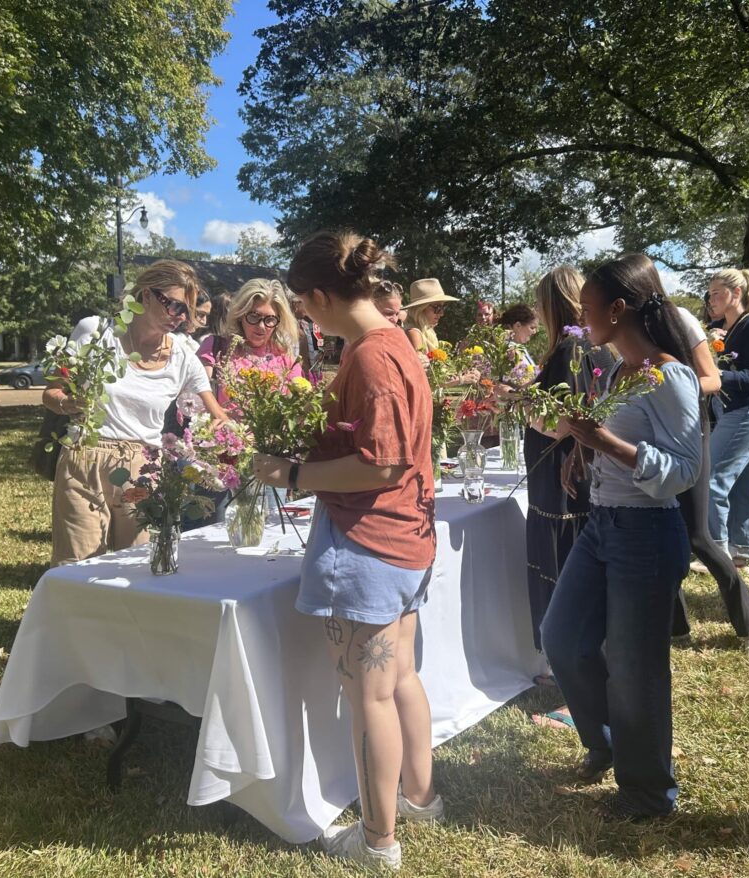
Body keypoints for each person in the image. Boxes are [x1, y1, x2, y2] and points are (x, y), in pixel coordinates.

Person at [252, 231, 440, 871]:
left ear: (322, 295)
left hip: (369, 541)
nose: (301, 315)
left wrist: (294, 474)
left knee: (369, 695)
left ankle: (378, 840)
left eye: (302, 304)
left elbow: (382, 463)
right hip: (405, 537)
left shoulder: (370, 357)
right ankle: (420, 796)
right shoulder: (394, 344)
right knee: (399, 679)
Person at [540, 253, 701, 821]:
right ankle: (606, 743)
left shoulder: (669, 373)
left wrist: (603, 442)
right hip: (602, 523)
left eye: (587, 308)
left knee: (635, 668)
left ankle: (648, 793)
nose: (581, 318)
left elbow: (685, 471)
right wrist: (583, 454)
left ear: (619, 307)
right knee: (561, 637)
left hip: (647, 533)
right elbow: (609, 439)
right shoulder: (612, 371)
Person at [42, 260, 226, 565]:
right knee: (78, 567)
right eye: (176, 306)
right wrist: (68, 404)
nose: (182, 318)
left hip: (144, 470)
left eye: (189, 312)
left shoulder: (182, 356)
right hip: (86, 459)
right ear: (146, 295)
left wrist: (212, 446)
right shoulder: (96, 333)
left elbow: (216, 415)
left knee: (138, 568)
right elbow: (51, 392)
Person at [523, 267, 616, 690]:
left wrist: (520, 404)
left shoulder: (569, 348)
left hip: (563, 475)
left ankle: (569, 667)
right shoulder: (594, 345)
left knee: (560, 565)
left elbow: (562, 422)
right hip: (578, 472)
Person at [670, 299, 749, 657]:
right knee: (666, 535)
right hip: (651, 439)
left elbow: (711, 377)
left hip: (688, 433)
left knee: (698, 535)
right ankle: (674, 625)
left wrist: (667, 388)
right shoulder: (617, 330)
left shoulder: (678, 319)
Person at [705, 268, 749, 565]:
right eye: (709, 294)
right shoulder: (724, 328)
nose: (711, 299)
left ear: (737, 293)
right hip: (733, 410)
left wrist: (715, 374)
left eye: (716, 293)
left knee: (712, 479)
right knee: (737, 483)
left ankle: (715, 550)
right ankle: (744, 548)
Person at [198, 278, 302, 405]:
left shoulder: (286, 358)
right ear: (240, 314)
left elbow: (297, 405)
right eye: (254, 316)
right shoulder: (215, 347)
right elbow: (197, 396)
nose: (261, 326)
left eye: (270, 319)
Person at [404, 278, 459, 353]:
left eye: (443, 307)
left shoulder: (426, 332)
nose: (441, 313)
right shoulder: (414, 333)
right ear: (421, 308)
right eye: (437, 307)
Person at [291, 292, 326, 378]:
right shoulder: (284, 329)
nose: (308, 307)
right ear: (295, 304)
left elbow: (317, 352)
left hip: (310, 378)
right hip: (292, 381)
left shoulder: (308, 325)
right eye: (305, 302)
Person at [497, 303, 539, 368]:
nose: (534, 332)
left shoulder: (520, 348)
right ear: (518, 325)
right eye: (532, 328)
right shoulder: (509, 350)